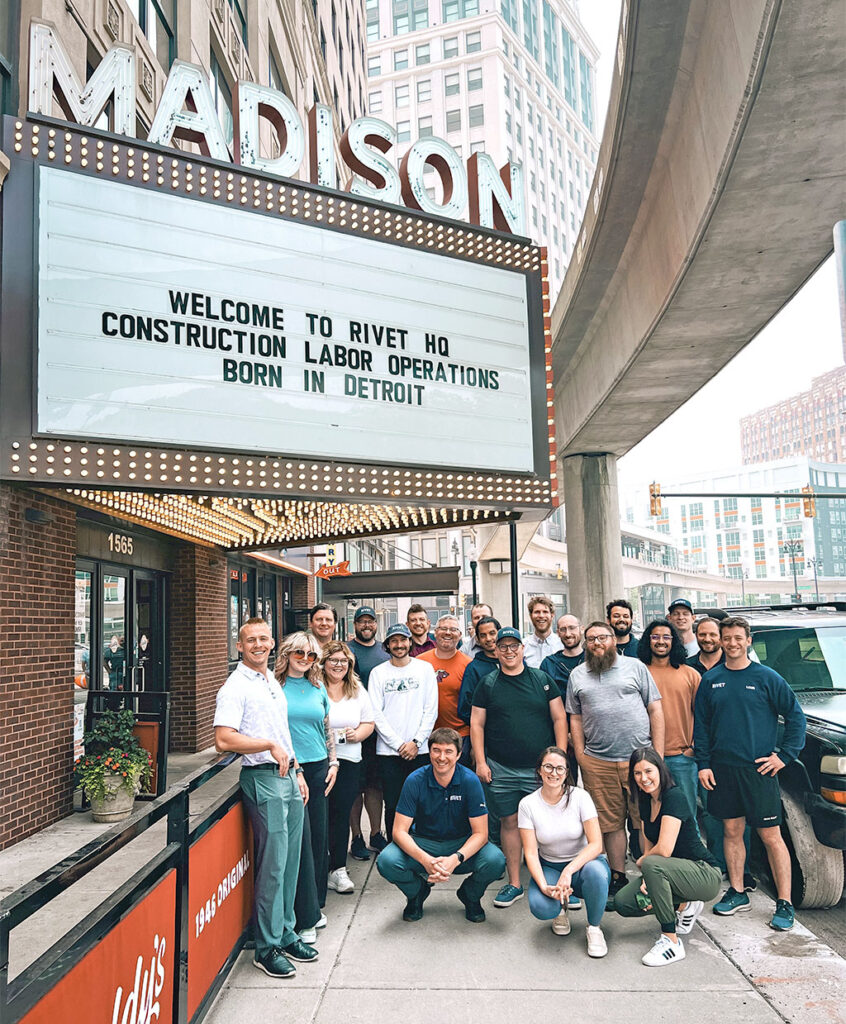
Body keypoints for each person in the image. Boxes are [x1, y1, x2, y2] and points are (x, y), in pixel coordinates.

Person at [213, 618, 314, 979]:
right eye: (250, 640)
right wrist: (267, 747)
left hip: (288, 778)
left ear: (273, 643)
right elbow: (223, 739)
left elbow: (281, 732)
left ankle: (286, 933)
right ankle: (266, 947)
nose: (258, 644)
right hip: (262, 778)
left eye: (263, 638)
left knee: (289, 864)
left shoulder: (270, 679)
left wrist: (299, 770)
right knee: (272, 866)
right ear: (239, 646)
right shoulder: (234, 686)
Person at [694, 616, 807, 931]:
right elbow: (701, 726)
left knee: (770, 836)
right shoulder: (711, 680)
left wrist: (785, 756)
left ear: (748, 641)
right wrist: (703, 764)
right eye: (726, 638)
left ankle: (784, 903)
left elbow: (796, 717)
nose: (731, 643)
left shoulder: (767, 677)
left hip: (759, 770)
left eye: (736, 638)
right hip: (722, 771)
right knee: (731, 832)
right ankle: (738, 891)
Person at [471, 627, 568, 908]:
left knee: (550, 823)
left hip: (542, 770)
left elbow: (559, 718)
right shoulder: (488, 684)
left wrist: (559, 757)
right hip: (501, 768)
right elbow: (477, 724)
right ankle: (514, 883)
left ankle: (560, 882)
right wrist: (480, 761)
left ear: (523, 649)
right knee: (509, 823)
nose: (509, 651)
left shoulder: (542, 679)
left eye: (514, 646)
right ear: (496, 651)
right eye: (503, 647)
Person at [567, 622, 664, 902]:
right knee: (610, 824)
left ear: (613, 640)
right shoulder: (577, 675)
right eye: (591, 639)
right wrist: (582, 755)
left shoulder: (635, 667)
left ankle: (651, 875)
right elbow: (574, 716)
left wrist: (656, 754)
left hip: (640, 761)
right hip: (598, 762)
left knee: (645, 820)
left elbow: (655, 708)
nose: (597, 643)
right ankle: (618, 876)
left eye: (602, 637)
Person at [376, 727, 506, 923]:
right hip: (423, 842)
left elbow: (481, 834)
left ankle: (470, 895)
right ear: (429, 752)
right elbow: (399, 831)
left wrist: (456, 859)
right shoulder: (415, 780)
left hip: (460, 843)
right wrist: (427, 861)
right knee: (387, 860)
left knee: (495, 860)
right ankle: (416, 893)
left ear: (459, 754)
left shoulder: (469, 781)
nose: (441, 757)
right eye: (436, 750)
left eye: (448, 751)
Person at [614, 748, 722, 967]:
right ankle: (684, 906)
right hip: (670, 873)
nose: (643, 778)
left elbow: (662, 850)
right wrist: (647, 879)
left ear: (660, 770)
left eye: (648, 771)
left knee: (652, 862)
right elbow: (649, 847)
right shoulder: (645, 801)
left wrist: (645, 863)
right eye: (637, 773)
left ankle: (671, 940)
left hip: (704, 873)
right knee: (623, 902)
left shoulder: (674, 797)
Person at [275, 632, 337, 944]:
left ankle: (315, 906)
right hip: (289, 770)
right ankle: (304, 916)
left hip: (319, 767)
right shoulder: (276, 688)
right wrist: (295, 768)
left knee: (318, 837)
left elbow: (327, 729)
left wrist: (334, 763)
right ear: (286, 653)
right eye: (299, 653)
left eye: (311, 655)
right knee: (300, 842)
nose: (305, 659)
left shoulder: (317, 686)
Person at [518, 746, 610, 957]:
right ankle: (560, 908)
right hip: (550, 865)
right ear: (539, 770)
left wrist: (568, 871)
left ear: (567, 772)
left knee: (596, 873)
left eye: (560, 768)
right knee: (541, 907)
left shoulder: (580, 797)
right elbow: (531, 853)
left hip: (584, 863)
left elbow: (596, 844)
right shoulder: (527, 805)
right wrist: (543, 886)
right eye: (548, 767)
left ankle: (594, 928)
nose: (554, 773)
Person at [687, 615, 754, 889]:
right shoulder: (689, 668)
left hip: (738, 755)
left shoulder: (745, 668)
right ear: (696, 636)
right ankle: (717, 865)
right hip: (702, 753)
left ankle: (744, 870)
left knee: (741, 818)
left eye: (714, 634)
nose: (709, 639)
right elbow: (697, 717)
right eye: (702, 634)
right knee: (713, 814)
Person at [369, 623, 438, 843]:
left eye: (403, 640)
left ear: (410, 642)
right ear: (387, 645)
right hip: (389, 753)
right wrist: (399, 744)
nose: (399, 645)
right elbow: (375, 713)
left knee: (422, 802)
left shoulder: (424, 669)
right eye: (394, 641)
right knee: (394, 804)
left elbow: (431, 709)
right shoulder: (378, 673)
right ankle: (396, 849)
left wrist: (416, 742)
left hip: (421, 750)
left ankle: (423, 848)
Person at [319, 641, 376, 895]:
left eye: (343, 661)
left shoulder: (357, 690)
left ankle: (337, 870)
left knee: (341, 815)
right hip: (318, 761)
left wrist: (358, 734)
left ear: (350, 664)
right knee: (319, 815)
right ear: (324, 662)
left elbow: (369, 722)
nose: (338, 665)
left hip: (349, 761)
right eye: (333, 660)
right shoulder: (314, 687)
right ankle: (319, 868)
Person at [637, 620, 701, 817]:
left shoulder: (690, 674)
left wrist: (693, 747)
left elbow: (703, 716)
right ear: (648, 641)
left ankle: (688, 849)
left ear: (674, 642)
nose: (661, 641)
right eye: (655, 637)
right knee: (651, 817)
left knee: (687, 815)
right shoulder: (638, 672)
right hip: (646, 759)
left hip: (682, 757)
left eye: (666, 637)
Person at [347, 606, 390, 862]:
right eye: (361, 621)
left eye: (370, 621)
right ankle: (357, 837)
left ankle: (375, 832)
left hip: (377, 732)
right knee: (354, 788)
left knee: (375, 787)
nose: (366, 625)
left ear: (376, 624)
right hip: (352, 730)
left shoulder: (384, 650)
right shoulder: (348, 651)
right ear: (354, 625)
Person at [416, 615, 472, 761]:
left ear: (460, 635)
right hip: (425, 736)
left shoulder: (468, 665)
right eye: (443, 628)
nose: (448, 632)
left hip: (460, 736)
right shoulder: (419, 662)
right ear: (434, 632)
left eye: (453, 629)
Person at [457, 615, 501, 727]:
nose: (488, 639)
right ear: (478, 639)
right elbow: (464, 709)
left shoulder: (513, 661)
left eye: (492, 633)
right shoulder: (474, 668)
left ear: (499, 633)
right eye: (483, 635)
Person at [540, 614, 585, 697]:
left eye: (572, 628)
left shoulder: (592, 659)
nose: (567, 634)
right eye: (563, 629)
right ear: (558, 633)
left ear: (582, 629)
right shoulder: (549, 664)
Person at [523, 596, 563, 667]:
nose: (541, 615)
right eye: (537, 612)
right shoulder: (523, 646)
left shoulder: (562, 645)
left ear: (552, 615)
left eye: (545, 612)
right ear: (530, 616)